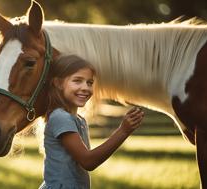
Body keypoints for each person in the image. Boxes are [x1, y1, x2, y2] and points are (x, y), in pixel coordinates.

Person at [39, 55, 144, 189]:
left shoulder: (79, 120)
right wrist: (123, 131)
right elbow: (88, 161)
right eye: (77, 81)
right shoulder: (60, 117)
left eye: (89, 82)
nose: (85, 88)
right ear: (58, 83)